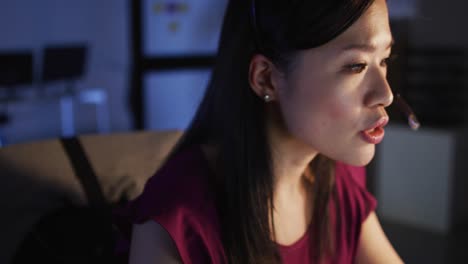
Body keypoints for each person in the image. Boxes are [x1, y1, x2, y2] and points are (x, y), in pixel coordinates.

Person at [117, 0, 404, 263]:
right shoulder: (178, 216)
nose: (386, 94)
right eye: (356, 65)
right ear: (266, 78)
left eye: (384, 60)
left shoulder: (338, 177)